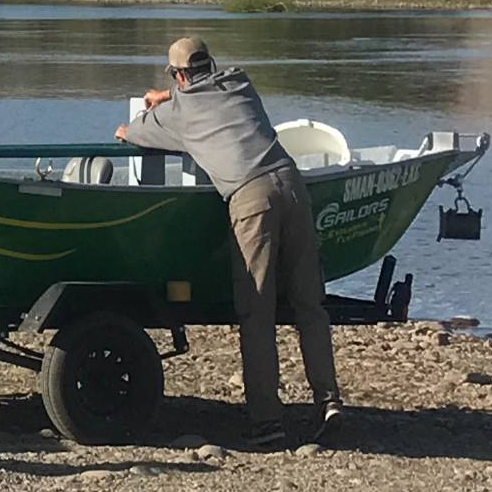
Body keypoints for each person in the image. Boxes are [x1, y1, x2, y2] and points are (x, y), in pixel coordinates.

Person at [116, 38, 342, 450]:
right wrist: (169, 95)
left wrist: (138, 119)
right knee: (310, 304)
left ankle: (267, 422)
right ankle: (328, 401)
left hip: (250, 197)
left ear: (178, 76)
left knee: (257, 310)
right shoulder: (239, 82)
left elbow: (134, 132)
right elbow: (205, 89)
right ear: (211, 64)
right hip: (292, 185)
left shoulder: (177, 113)